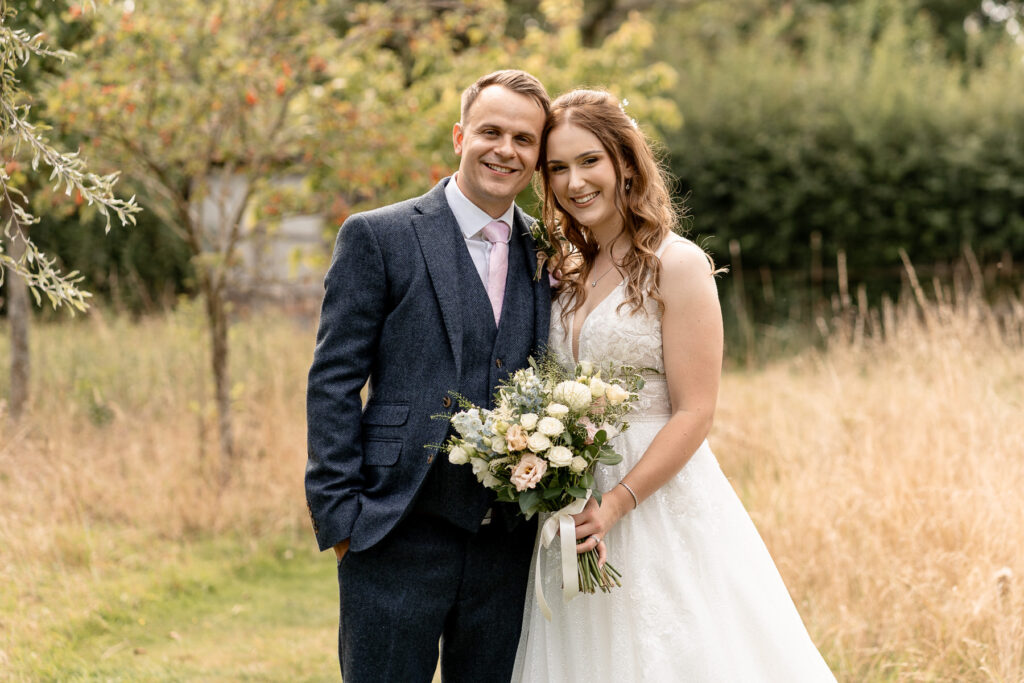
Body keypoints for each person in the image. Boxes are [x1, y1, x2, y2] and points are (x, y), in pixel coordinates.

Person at [512, 89, 836, 682]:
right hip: (573, 498)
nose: (574, 182)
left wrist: (616, 503)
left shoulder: (677, 264)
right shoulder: (564, 269)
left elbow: (696, 411)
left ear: (626, 164)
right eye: (557, 168)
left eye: (590, 161)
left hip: (653, 500)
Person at [305, 70, 551, 683]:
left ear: (539, 155)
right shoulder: (378, 236)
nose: (506, 150)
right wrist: (342, 521)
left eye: (525, 139)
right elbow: (333, 380)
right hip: (393, 528)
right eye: (491, 131)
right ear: (459, 134)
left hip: (507, 542)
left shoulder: (549, 252)